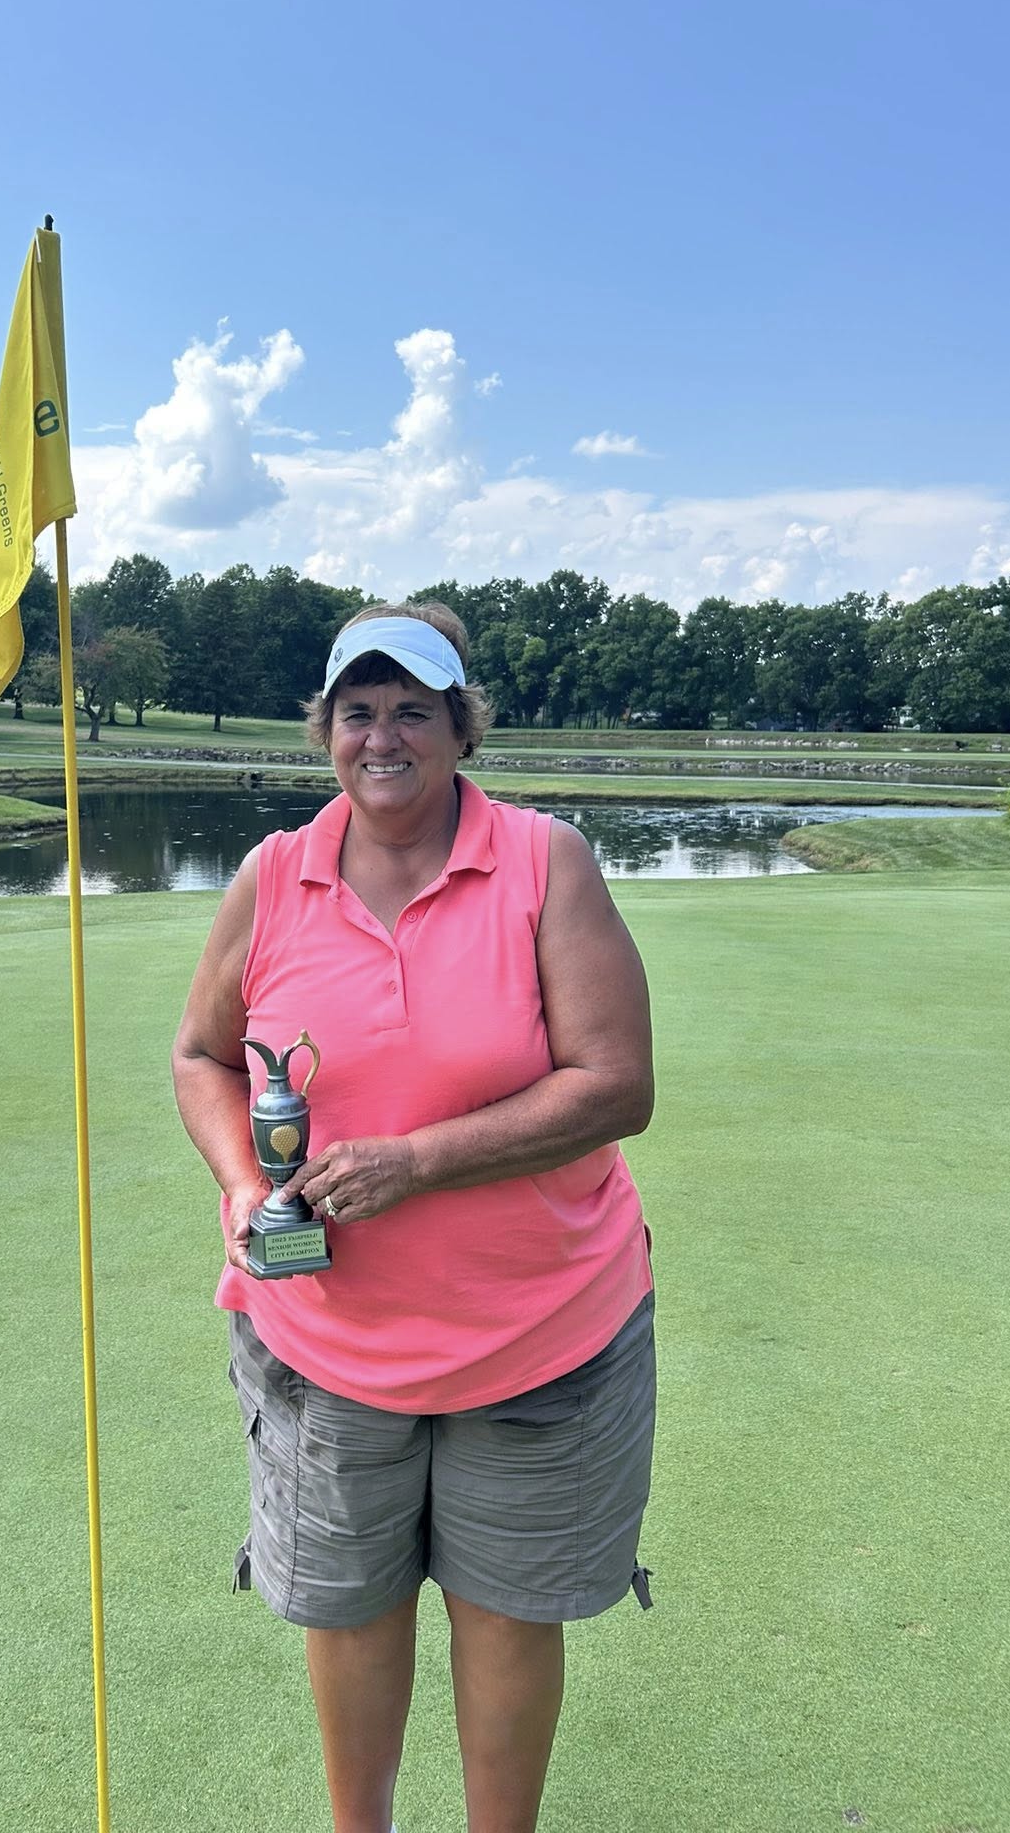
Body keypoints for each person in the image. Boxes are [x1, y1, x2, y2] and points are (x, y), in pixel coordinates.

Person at [171, 601, 657, 1833]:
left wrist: (416, 1162)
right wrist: (243, 1181)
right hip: (328, 1339)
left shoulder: (546, 860)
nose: (382, 735)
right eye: (358, 710)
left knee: (506, 1610)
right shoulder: (273, 873)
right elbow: (202, 1056)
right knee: (348, 1605)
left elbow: (617, 1086)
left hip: (538, 1331)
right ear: (327, 730)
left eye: (412, 711)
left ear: (459, 728)